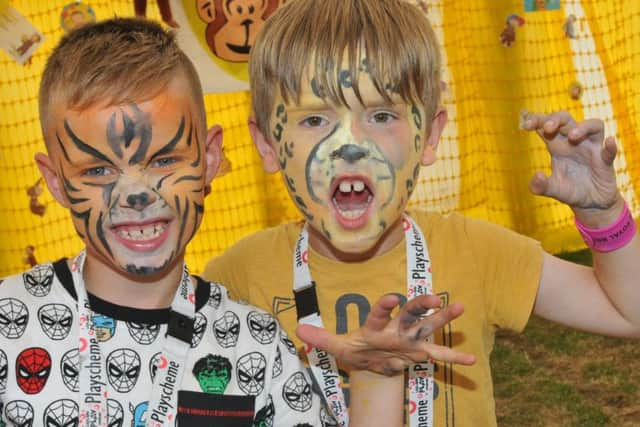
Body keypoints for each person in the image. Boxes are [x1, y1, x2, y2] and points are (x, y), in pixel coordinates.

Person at [0, 17, 464, 427]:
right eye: (98, 170)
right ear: (56, 181)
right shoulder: (9, 322)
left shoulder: (257, 345)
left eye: (164, 160)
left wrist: (371, 379)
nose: (136, 195)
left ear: (209, 159)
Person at [203, 0, 640, 426]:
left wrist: (603, 215)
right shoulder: (238, 281)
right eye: (315, 120)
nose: (350, 147)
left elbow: (627, 312)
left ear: (430, 136)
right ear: (266, 144)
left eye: (381, 114)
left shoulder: (474, 250)